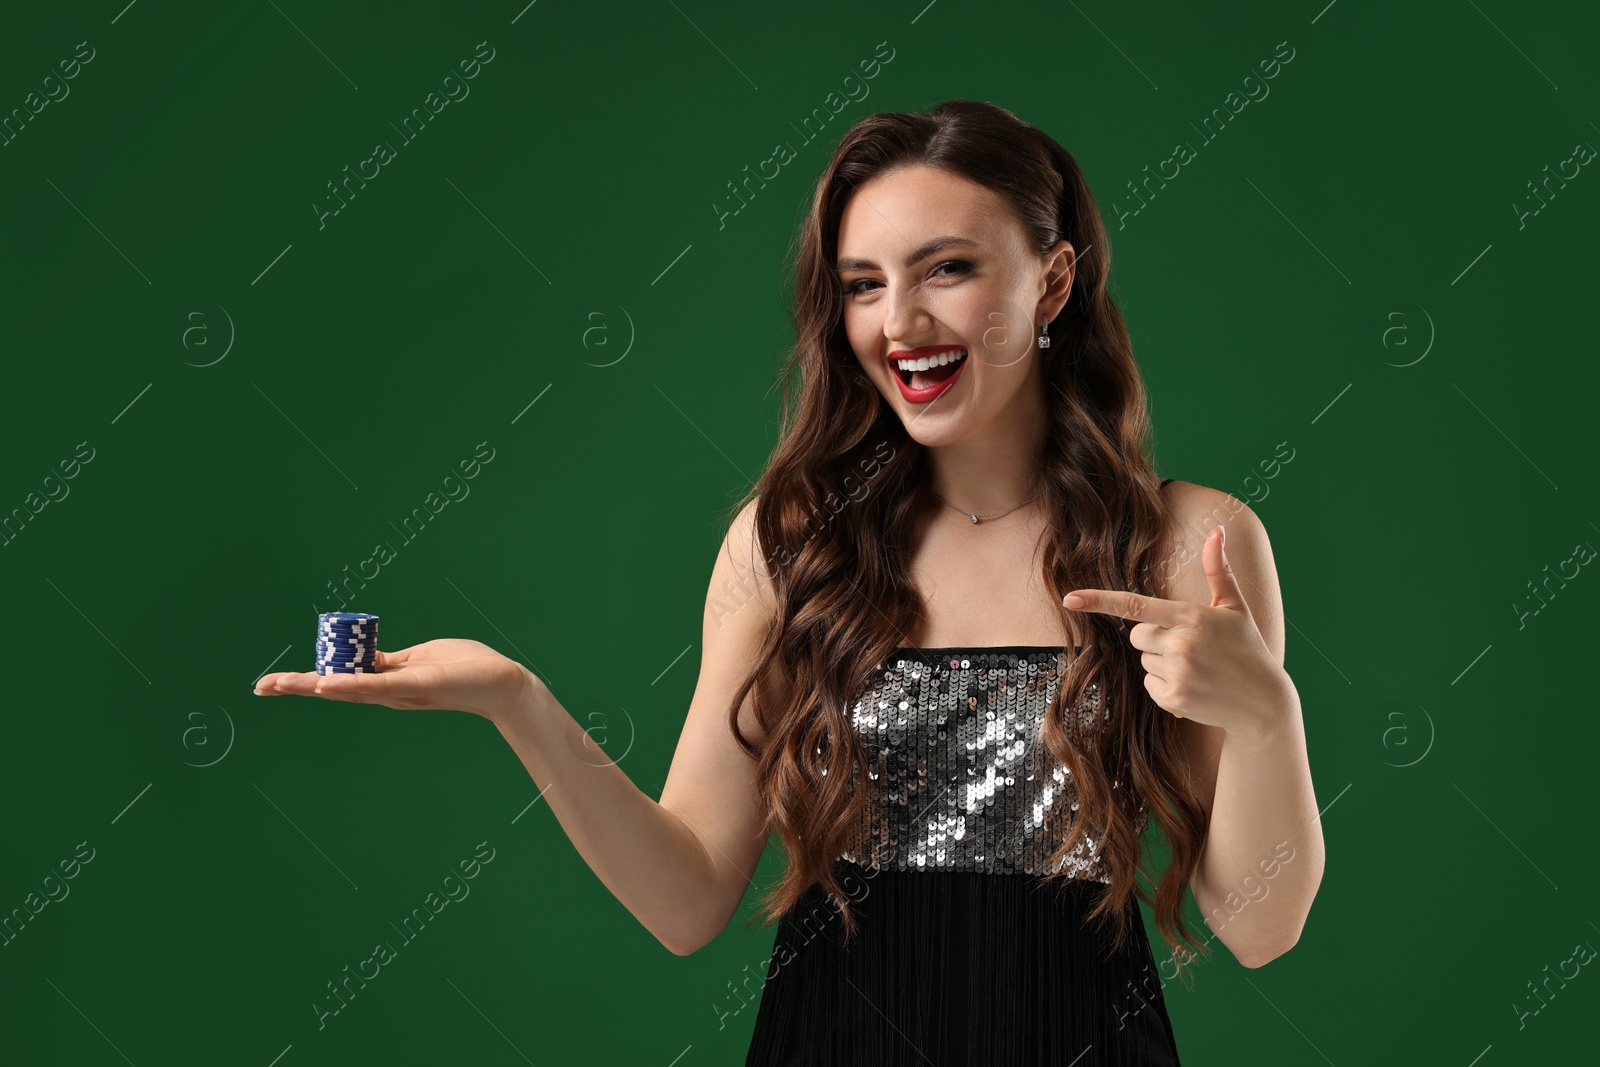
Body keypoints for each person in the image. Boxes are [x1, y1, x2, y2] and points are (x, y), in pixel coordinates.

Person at [255, 99, 1323, 1066]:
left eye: (946, 268)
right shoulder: (788, 543)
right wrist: (514, 701)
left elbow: (1258, 925)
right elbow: (686, 900)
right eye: (864, 284)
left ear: (1052, 278)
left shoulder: (1192, 543)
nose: (898, 323)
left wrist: (1265, 712)